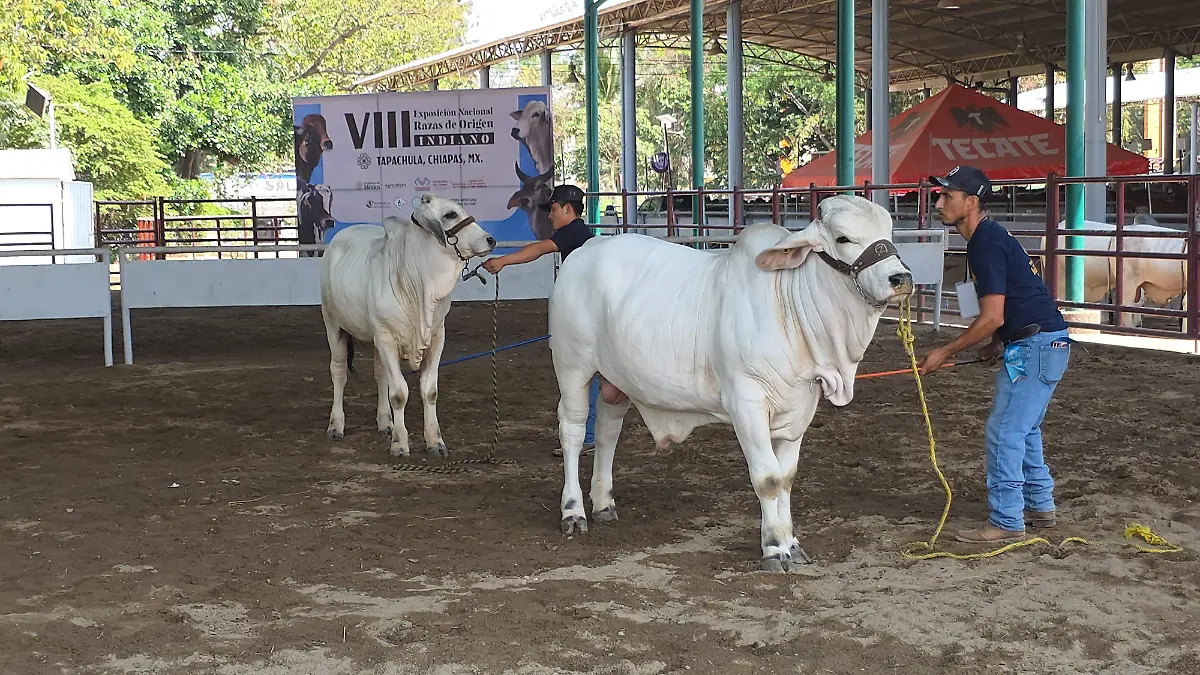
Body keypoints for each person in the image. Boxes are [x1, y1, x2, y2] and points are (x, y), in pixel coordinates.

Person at [917, 165, 1071, 545]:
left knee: (1004, 432)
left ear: (971, 203)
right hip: (1044, 342)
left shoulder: (984, 245)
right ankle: (1039, 505)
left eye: (946, 197)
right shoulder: (989, 239)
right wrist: (997, 342)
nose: (938, 203)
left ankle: (1006, 519)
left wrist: (946, 351)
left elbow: (991, 316)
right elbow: (1014, 304)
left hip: (1033, 346)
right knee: (1024, 429)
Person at [482, 184, 627, 455]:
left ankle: (588, 434)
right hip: (593, 314)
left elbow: (538, 249)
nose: (550, 215)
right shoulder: (581, 235)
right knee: (596, 376)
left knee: (583, 374)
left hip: (587, 318)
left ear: (568, 209)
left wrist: (504, 261)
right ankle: (592, 434)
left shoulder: (573, 233)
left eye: (554, 209)